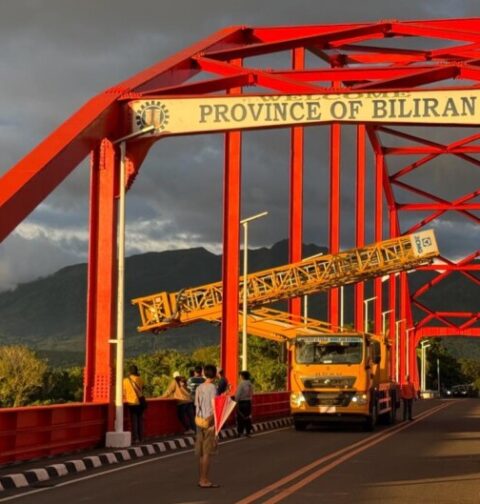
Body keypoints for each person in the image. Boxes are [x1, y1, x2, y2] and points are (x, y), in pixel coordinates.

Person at [195, 364, 219, 489]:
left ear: (204, 374)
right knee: (207, 453)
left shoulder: (199, 387)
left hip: (199, 421)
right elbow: (214, 406)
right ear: (214, 374)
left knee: (201, 453)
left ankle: (201, 478)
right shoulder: (213, 388)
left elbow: (196, 404)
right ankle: (204, 479)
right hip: (209, 422)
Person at [122, 365, 146, 444]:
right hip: (140, 403)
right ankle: (141, 437)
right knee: (140, 421)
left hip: (131, 403)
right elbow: (143, 388)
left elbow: (123, 392)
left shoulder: (125, 381)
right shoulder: (140, 379)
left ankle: (136, 438)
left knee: (134, 421)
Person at [235, 370, 253, 437]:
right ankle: (248, 431)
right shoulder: (250, 384)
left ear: (242, 376)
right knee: (247, 417)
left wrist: (236, 401)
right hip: (248, 402)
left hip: (241, 402)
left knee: (240, 418)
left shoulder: (241, 384)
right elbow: (252, 393)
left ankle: (240, 432)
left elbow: (238, 394)